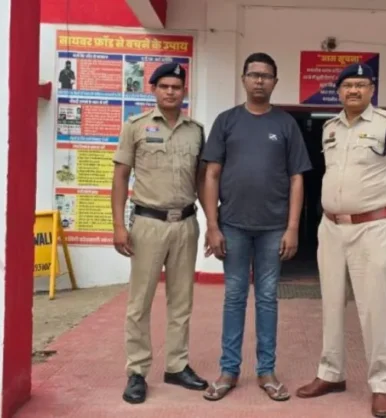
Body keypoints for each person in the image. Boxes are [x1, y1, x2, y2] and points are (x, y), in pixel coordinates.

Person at [295, 63, 386, 418]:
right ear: (339, 91)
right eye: (347, 85)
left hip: (372, 229)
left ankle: (381, 385)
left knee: (375, 308)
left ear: (371, 90)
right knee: (331, 304)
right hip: (331, 228)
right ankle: (330, 374)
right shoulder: (330, 127)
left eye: (361, 85)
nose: (353, 90)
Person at [199, 52, 312, 402]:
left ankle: (266, 371)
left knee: (266, 299)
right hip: (232, 225)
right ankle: (228, 371)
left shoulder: (285, 124)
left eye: (266, 75)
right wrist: (212, 225)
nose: (259, 80)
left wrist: (292, 228)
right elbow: (211, 174)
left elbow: (296, 179)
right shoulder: (226, 121)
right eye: (253, 74)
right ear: (244, 79)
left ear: (275, 82)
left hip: (273, 228)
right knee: (234, 297)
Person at [111, 61, 209, 404]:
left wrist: (212, 223)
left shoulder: (196, 131)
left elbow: (201, 180)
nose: (170, 91)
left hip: (185, 224)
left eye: (176, 87)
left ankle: (176, 365)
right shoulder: (135, 127)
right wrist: (118, 225)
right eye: (164, 86)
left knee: (182, 300)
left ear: (184, 91)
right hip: (148, 224)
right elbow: (120, 177)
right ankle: (137, 371)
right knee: (140, 301)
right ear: (153, 90)